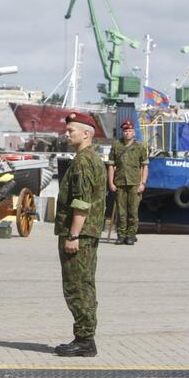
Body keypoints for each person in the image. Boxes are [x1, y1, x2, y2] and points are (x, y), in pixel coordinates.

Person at [54, 112, 106, 358]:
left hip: (80, 235)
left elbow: (82, 203)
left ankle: (84, 339)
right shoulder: (90, 159)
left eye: (71, 130)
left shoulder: (84, 161)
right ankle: (85, 336)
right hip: (88, 234)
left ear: (86, 134)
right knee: (84, 284)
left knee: (77, 286)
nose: (66, 134)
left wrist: (73, 235)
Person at [107, 120, 148, 245]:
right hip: (120, 182)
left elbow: (144, 166)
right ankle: (121, 235)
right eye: (125, 131)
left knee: (133, 211)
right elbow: (111, 166)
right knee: (121, 211)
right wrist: (111, 183)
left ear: (134, 133)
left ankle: (131, 235)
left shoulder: (140, 147)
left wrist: (143, 183)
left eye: (130, 131)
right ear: (123, 132)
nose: (127, 133)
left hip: (135, 182)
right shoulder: (116, 145)